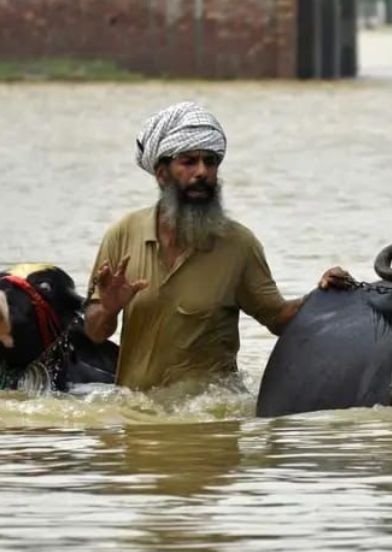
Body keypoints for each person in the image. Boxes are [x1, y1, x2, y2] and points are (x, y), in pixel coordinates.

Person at [84, 101, 353, 390]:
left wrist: (323, 295)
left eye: (210, 162)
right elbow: (95, 333)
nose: (202, 172)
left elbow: (279, 320)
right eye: (189, 162)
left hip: (212, 420)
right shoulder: (123, 235)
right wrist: (109, 308)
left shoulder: (238, 245)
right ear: (162, 174)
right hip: (136, 420)